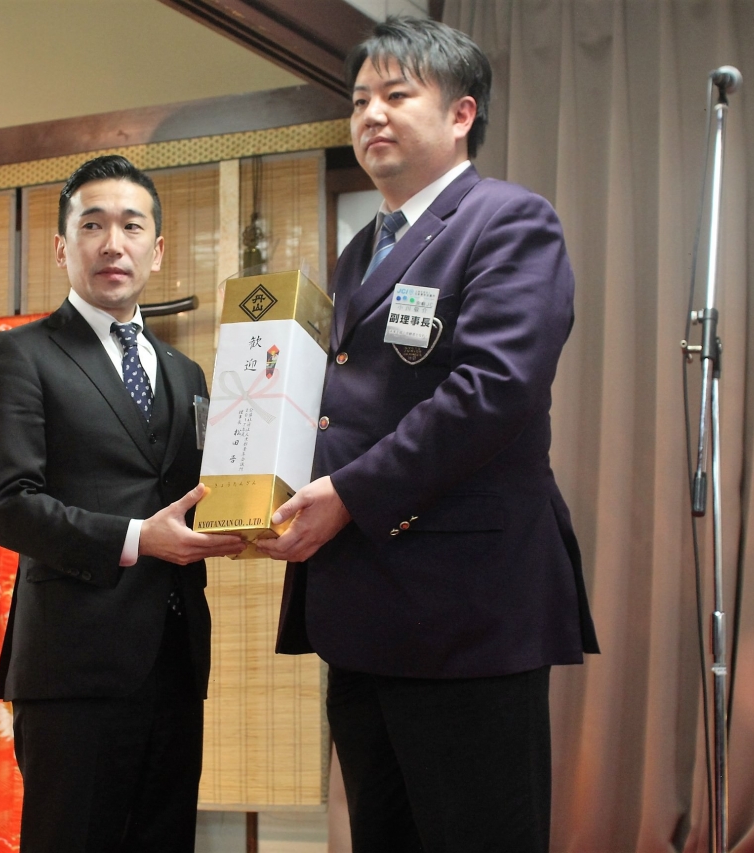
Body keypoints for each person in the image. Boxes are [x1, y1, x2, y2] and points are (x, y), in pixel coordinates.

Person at [257, 17, 599, 853]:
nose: (370, 114)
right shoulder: (361, 251)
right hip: (362, 603)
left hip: (465, 605)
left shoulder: (510, 222)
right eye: (358, 100)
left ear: (461, 114)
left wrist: (347, 493)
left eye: (396, 94)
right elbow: (347, 405)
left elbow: (494, 389)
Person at [0, 155, 245, 852]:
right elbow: (6, 503)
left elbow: (199, 494)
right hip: (73, 667)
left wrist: (256, 517)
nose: (113, 243)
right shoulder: (18, 354)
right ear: (63, 248)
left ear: (158, 248)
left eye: (131, 226)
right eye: (92, 225)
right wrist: (137, 537)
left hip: (176, 660)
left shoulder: (186, 372)